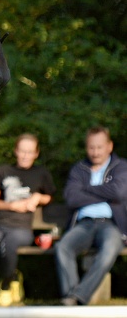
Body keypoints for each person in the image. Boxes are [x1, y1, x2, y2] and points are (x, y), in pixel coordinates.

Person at [0, 134, 55, 306]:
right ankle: (12, 276)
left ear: (36, 153)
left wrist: (38, 197)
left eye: (30, 152)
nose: (26, 156)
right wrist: (13, 206)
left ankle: (5, 287)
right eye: (22, 151)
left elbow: (50, 197)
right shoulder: (4, 171)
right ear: (15, 151)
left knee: (8, 245)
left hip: (22, 229)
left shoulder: (41, 174)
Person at [55, 126, 127, 306]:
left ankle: (77, 297)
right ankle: (72, 299)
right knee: (62, 247)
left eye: (99, 147)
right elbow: (72, 198)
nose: (95, 152)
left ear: (109, 146)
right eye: (91, 147)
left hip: (111, 225)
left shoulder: (121, 167)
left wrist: (85, 189)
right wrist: (104, 193)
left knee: (110, 249)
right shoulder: (79, 169)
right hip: (83, 225)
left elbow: (118, 192)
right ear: (86, 147)